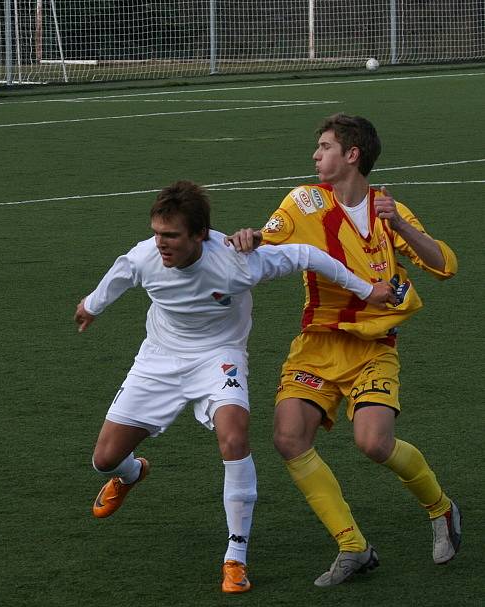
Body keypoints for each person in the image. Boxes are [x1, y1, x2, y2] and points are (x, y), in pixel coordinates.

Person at [74, 180, 394, 594]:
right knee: (105, 459)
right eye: (156, 233)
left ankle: (235, 558)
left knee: (234, 438)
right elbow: (120, 274)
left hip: (219, 356)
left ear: (200, 235)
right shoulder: (144, 256)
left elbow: (309, 255)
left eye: (170, 236)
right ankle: (132, 474)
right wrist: (91, 306)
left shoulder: (238, 261)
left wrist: (368, 290)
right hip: (159, 358)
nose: (161, 244)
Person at [226, 113, 461, 587]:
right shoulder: (304, 201)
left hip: (373, 349)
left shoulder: (387, 208)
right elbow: (268, 239)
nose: (316, 155)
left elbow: (444, 265)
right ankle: (353, 546)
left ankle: (441, 508)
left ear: (352, 155)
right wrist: (249, 238)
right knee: (289, 438)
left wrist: (404, 228)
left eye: (326, 146)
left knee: (374, 444)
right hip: (316, 345)